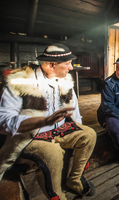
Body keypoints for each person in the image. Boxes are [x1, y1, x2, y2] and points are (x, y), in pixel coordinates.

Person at [0, 43, 97, 200]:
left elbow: (75, 109)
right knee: (53, 153)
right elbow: (3, 120)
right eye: (67, 64)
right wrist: (43, 121)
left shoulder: (65, 80)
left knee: (89, 134)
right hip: (28, 137)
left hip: (57, 131)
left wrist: (77, 126)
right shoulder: (20, 81)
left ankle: (75, 179)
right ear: (52, 65)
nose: (71, 68)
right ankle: (57, 196)